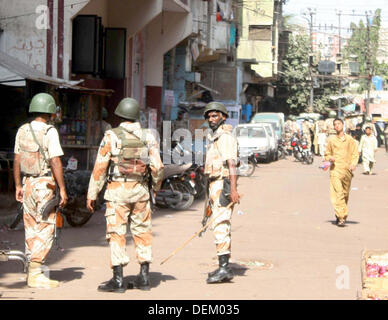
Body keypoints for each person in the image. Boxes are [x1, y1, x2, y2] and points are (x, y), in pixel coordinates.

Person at [86, 97, 164, 293]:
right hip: (141, 191)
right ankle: (144, 277)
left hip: (117, 192)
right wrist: (154, 187)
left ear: (119, 115)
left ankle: (118, 280)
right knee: (142, 232)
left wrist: (92, 194)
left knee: (117, 233)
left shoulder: (111, 136)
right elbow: (158, 167)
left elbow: (100, 167)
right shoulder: (148, 136)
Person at [13, 93, 68, 288]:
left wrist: (18, 185)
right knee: (45, 226)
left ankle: (32, 269)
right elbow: (55, 160)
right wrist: (62, 189)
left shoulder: (23, 129)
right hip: (45, 185)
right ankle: (36, 273)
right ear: (50, 111)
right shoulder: (49, 131)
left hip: (27, 184)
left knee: (30, 226)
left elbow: (17, 159)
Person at [202, 101, 240, 284]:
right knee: (218, 224)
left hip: (222, 184)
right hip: (214, 185)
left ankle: (224, 268)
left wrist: (232, 189)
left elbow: (231, 164)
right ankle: (222, 265)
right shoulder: (215, 138)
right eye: (209, 116)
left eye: (215, 115)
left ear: (223, 117)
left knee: (221, 224)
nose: (211, 119)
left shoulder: (225, 138)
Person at [324, 118, 359, 227]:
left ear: (343, 125)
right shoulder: (332, 140)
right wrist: (330, 158)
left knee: (344, 194)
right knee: (337, 193)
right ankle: (341, 216)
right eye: (335, 124)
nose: (337, 126)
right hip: (335, 170)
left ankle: (341, 213)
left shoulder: (349, 140)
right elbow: (327, 154)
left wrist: (353, 164)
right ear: (334, 127)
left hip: (347, 170)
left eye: (339, 124)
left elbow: (355, 153)